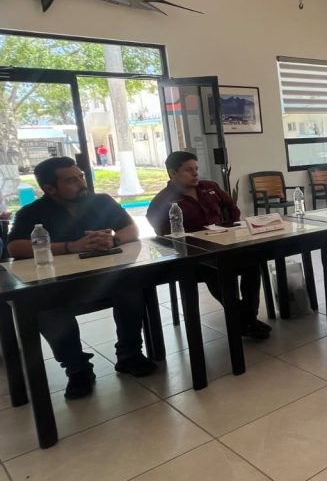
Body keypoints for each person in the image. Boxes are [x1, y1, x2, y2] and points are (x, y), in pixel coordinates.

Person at [6, 157, 157, 399]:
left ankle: (129, 354)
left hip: (104, 279)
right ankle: (78, 369)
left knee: (131, 288)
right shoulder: (32, 212)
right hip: (59, 285)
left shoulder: (101, 201)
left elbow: (132, 229)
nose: (81, 183)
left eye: (81, 176)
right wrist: (70, 247)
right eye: (71, 180)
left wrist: (113, 240)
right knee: (46, 309)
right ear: (49, 188)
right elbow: (15, 247)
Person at [146, 151, 271, 339]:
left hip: (224, 244)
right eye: (188, 170)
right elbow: (161, 232)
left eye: (196, 168)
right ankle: (245, 319)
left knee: (252, 262)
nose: (195, 173)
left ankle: (246, 316)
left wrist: (230, 227)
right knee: (213, 268)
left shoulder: (210, 187)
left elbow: (232, 208)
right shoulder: (163, 200)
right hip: (195, 256)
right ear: (172, 173)